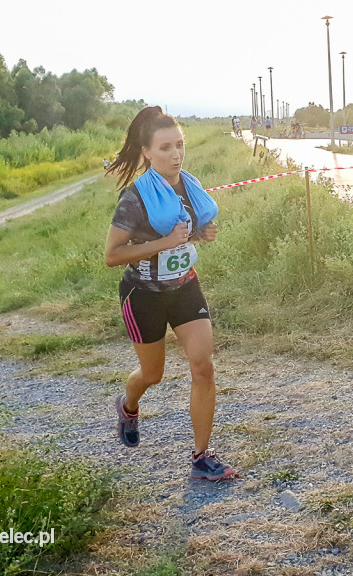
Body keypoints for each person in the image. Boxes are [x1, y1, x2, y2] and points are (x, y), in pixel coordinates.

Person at [103, 106, 235, 482]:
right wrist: (164, 243)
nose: (175, 154)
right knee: (152, 374)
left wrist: (200, 235)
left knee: (203, 367)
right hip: (142, 295)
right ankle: (128, 406)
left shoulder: (186, 184)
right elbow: (112, 255)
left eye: (179, 145)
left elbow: (184, 232)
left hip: (184, 287)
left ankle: (201, 458)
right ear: (146, 152)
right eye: (164, 148)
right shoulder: (134, 197)